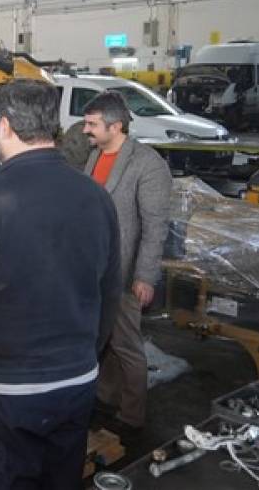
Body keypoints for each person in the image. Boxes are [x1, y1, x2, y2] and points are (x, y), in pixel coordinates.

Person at [0, 79, 122, 490]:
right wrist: (86, 353)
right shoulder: (97, 198)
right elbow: (109, 291)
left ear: (6, 127)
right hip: (76, 383)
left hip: (3, 391)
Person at [82, 91, 172, 436]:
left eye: (92, 124)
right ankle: (107, 397)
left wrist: (145, 276)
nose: (86, 129)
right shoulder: (94, 156)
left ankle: (133, 416)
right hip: (93, 266)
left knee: (126, 344)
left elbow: (154, 226)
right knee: (101, 339)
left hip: (123, 271)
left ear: (115, 125)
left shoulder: (147, 164)